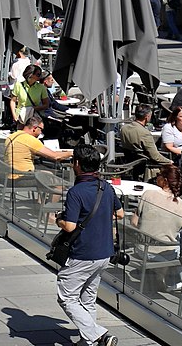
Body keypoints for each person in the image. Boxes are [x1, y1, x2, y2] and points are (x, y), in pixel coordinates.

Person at [55, 143, 124, 346]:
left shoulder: (76, 192)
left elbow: (69, 227)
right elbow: (119, 213)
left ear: (77, 164)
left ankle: (99, 335)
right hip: (104, 252)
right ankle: (89, 342)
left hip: (82, 254)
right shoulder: (106, 187)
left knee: (66, 297)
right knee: (88, 297)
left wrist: (59, 219)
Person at [133, 163, 182, 292]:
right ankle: (180, 286)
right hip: (166, 253)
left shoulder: (148, 194)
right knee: (181, 244)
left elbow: (134, 223)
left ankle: (166, 280)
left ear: (164, 180)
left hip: (142, 248)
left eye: (158, 175)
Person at [5, 116, 72, 182]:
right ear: (34, 128)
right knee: (53, 179)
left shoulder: (12, 136)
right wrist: (72, 153)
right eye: (41, 130)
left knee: (46, 173)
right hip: (22, 177)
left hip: (8, 177)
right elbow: (56, 156)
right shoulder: (30, 140)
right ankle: (60, 192)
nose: (41, 133)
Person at [118, 105, 172, 180]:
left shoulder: (124, 128)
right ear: (147, 116)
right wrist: (170, 162)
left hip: (129, 162)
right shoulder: (144, 133)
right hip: (144, 166)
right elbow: (155, 156)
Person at [10, 63, 49, 128]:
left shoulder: (41, 87)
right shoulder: (18, 85)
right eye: (38, 74)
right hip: (20, 117)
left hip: (35, 118)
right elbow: (13, 101)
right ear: (30, 75)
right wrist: (14, 115)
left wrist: (33, 109)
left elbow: (46, 104)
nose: (40, 76)